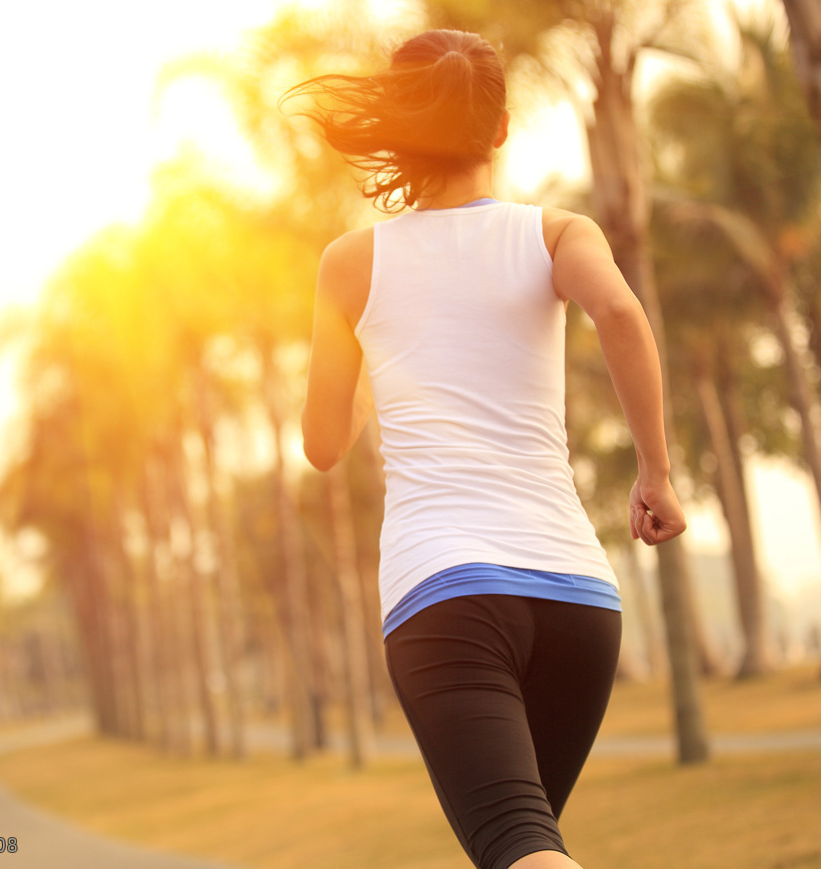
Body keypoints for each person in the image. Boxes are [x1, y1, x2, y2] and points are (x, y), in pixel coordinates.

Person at [292, 29, 686, 869]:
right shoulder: (557, 233)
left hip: (448, 595)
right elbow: (620, 314)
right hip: (579, 598)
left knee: (518, 847)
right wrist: (657, 473)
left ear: (399, 128)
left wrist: (374, 351)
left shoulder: (350, 264)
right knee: (524, 846)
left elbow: (323, 444)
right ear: (502, 129)